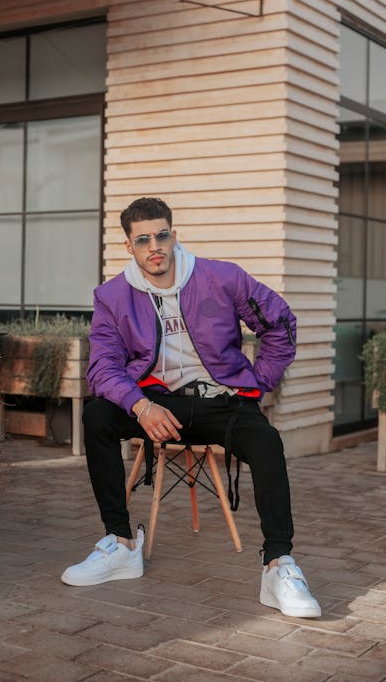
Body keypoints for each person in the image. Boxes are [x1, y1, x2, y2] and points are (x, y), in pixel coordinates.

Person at [61, 197, 321, 618]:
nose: (154, 246)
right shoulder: (113, 296)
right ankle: (121, 544)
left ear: (173, 235)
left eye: (161, 235)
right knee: (98, 417)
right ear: (129, 246)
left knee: (268, 443)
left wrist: (259, 383)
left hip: (222, 402)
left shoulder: (222, 278)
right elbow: (103, 367)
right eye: (143, 239)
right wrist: (141, 406)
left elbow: (280, 323)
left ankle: (278, 565)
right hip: (159, 404)